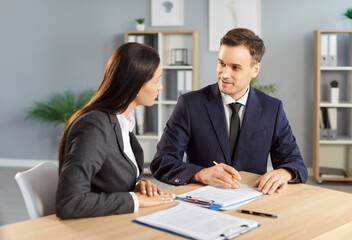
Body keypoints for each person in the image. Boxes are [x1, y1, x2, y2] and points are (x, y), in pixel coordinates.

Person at [151, 28, 308, 195]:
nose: (224, 74)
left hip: (252, 203)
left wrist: (285, 173)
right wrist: (199, 173)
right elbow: (161, 162)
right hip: (203, 202)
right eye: (222, 63)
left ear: (255, 70)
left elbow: (295, 162)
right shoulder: (190, 104)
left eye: (235, 67)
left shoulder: (272, 109)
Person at [56, 42, 175, 219]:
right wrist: (134, 200)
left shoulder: (122, 122)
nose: (161, 87)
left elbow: (108, 178)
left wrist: (137, 186)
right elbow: (69, 202)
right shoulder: (94, 126)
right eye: (157, 81)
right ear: (135, 84)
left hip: (118, 220)